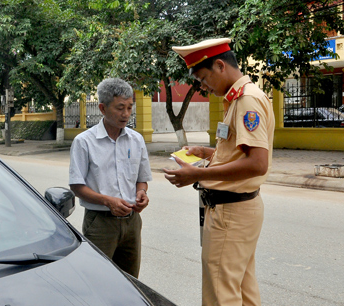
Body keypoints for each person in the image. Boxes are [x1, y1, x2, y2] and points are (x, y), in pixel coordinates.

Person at [164, 38, 275, 306]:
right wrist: (208, 154)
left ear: (219, 65)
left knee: (220, 294)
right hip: (237, 211)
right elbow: (240, 155)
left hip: (231, 214)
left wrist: (197, 175)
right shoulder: (237, 99)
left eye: (204, 78)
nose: (203, 87)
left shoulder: (246, 101)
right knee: (243, 290)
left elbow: (258, 163)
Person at [69, 78, 152, 278]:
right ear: (103, 108)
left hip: (132, 221)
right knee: (97, 278)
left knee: (130, 280)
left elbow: (142, 178)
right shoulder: (84, 142)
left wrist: (141, 192)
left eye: (130, 107)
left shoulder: (136, 139)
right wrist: (107, 201)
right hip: (100, 223)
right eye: (120, 108)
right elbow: (77, 185)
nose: (126, 114)